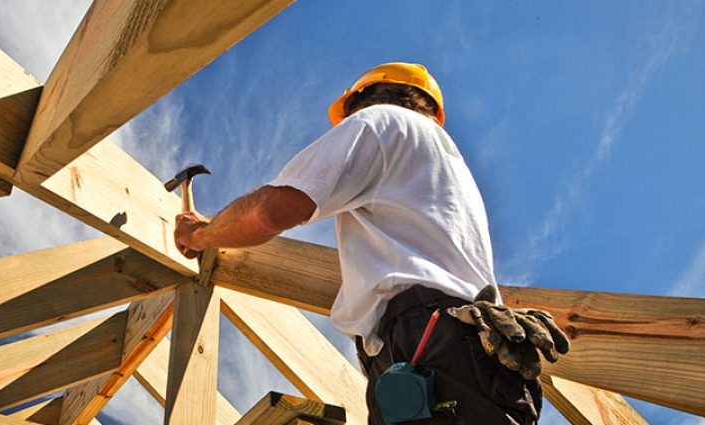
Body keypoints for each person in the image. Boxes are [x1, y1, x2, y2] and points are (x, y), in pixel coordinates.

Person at [174, 63, 548, 424]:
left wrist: (201, 233)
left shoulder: (380, 122)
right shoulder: (446, 165)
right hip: (477, 356)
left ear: (361, 100)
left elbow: (269, 212)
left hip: (428, 342)